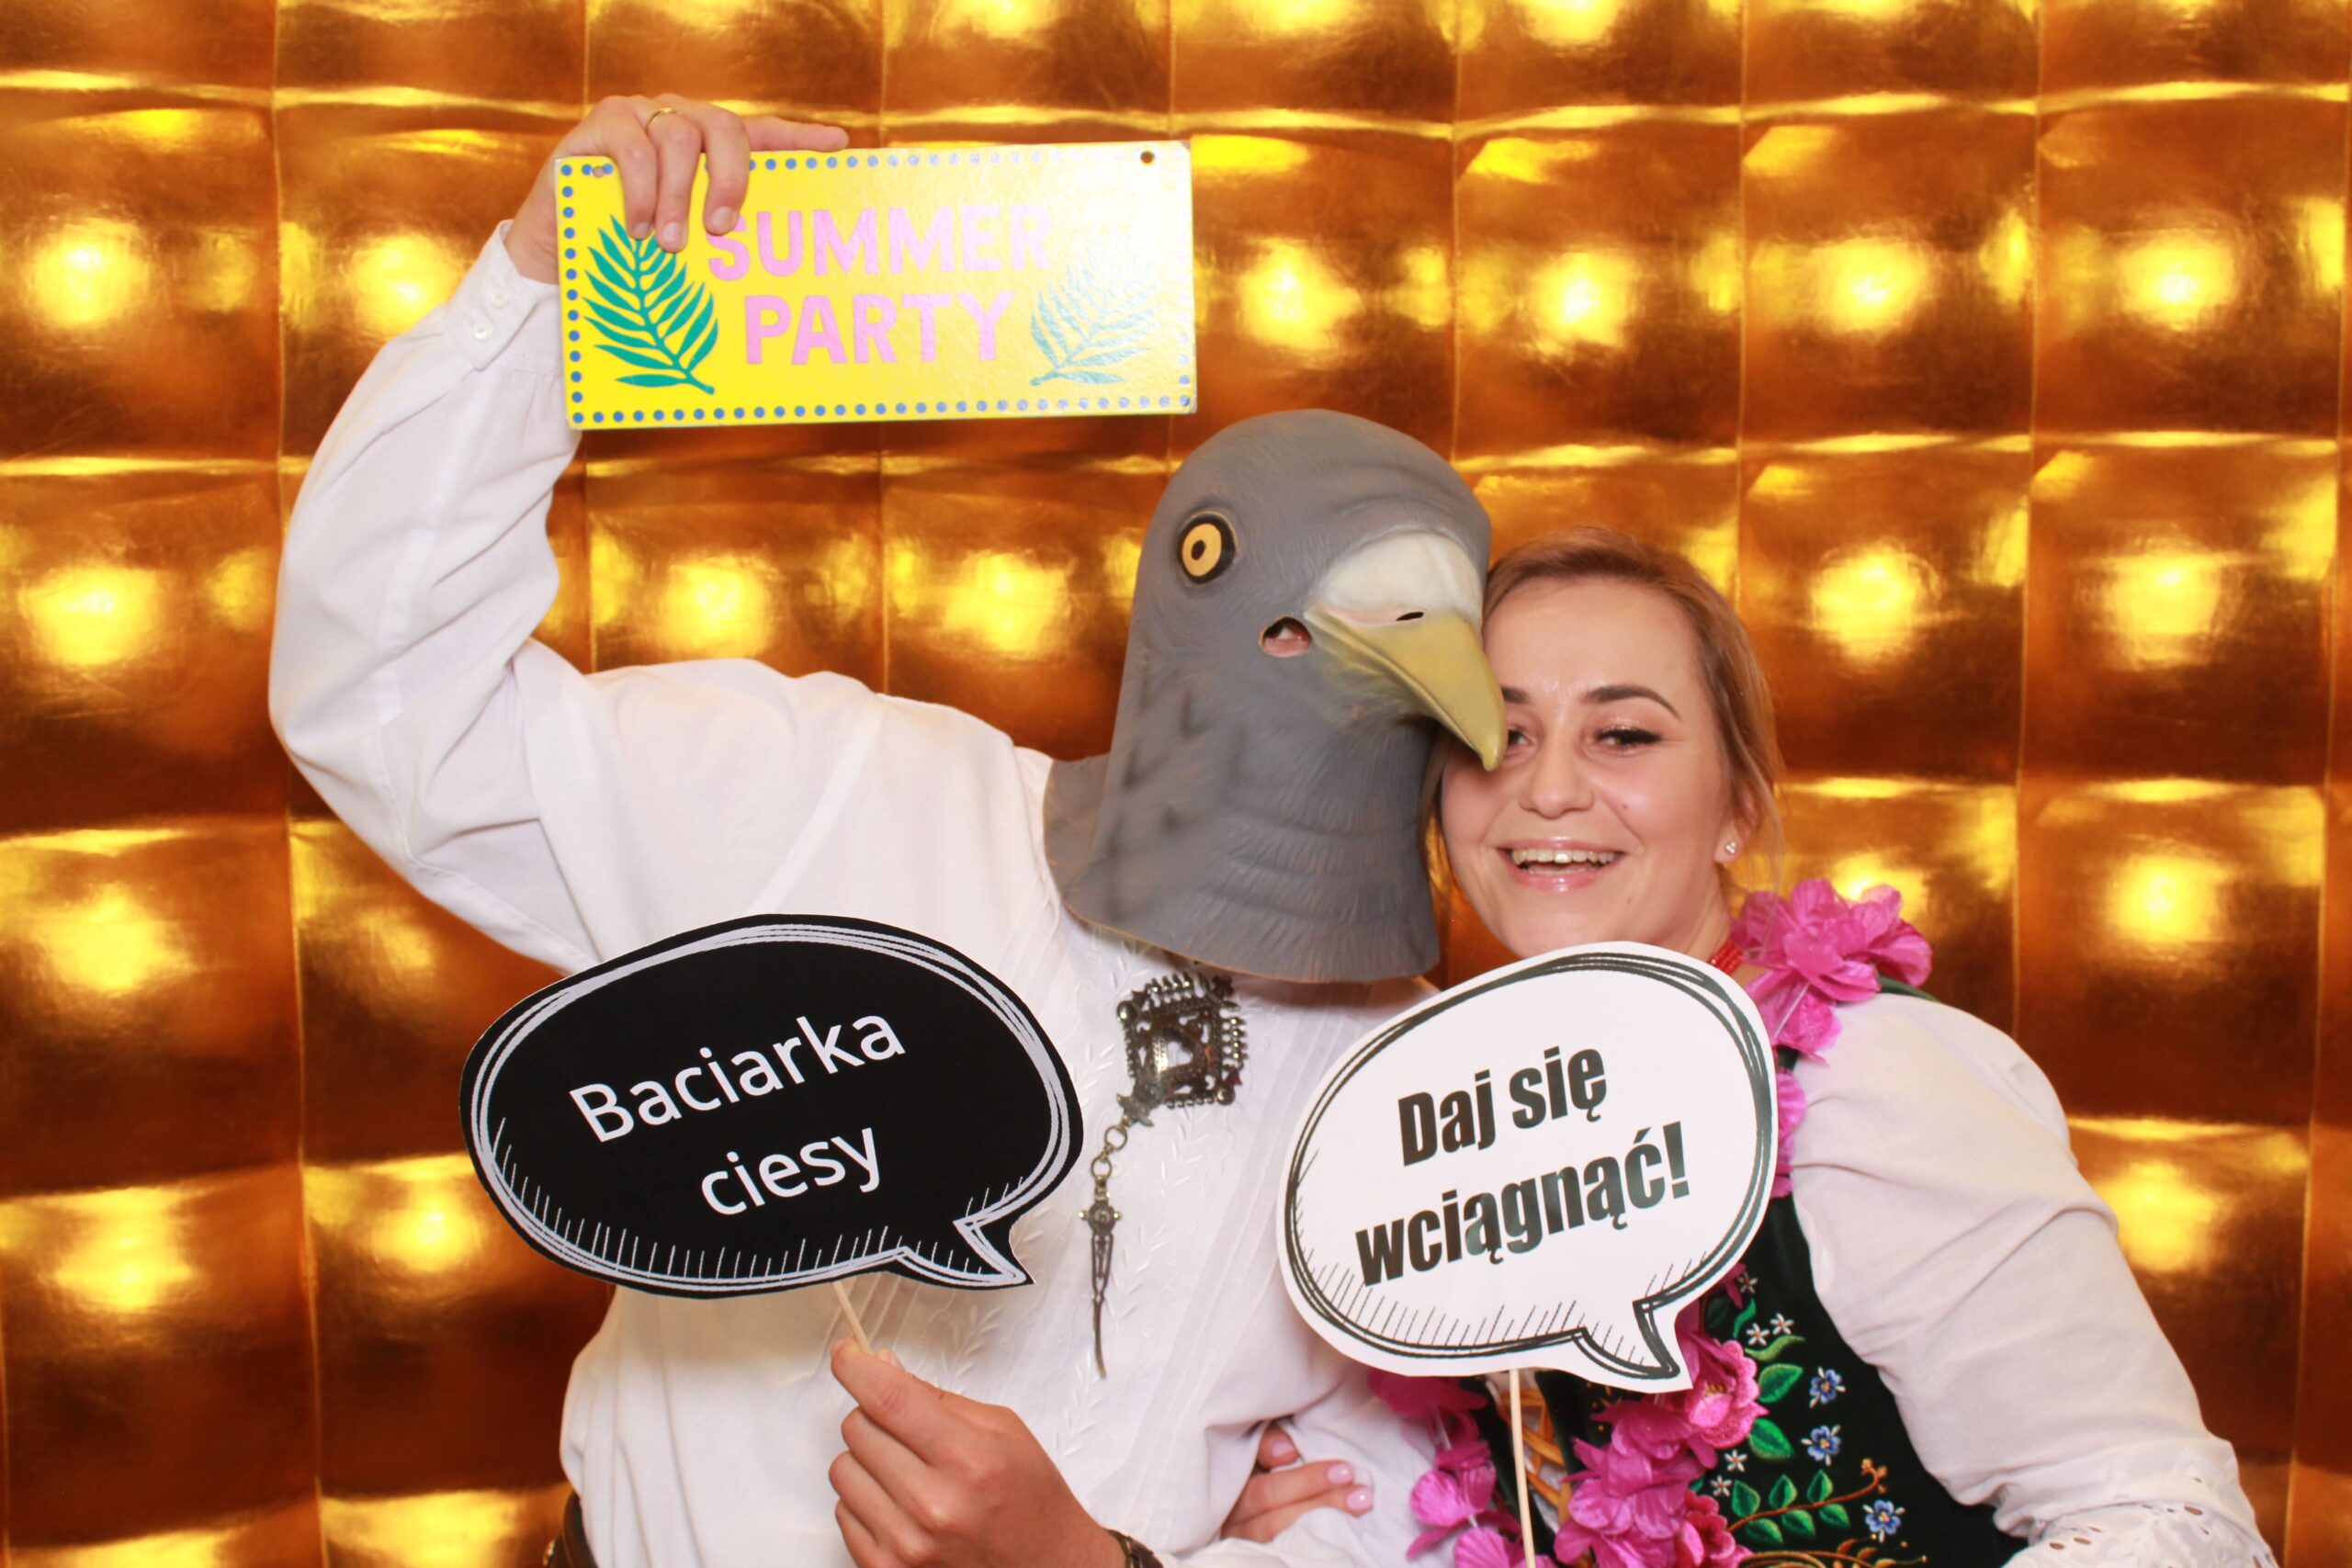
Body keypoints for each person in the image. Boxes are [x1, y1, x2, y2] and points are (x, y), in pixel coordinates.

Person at [269, 93, 1513, 1568]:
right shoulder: (839, 792)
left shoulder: (1430, 1092)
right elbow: (391, 698)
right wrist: (542, 289)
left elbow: (1395, 1499)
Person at [1238, 525, 2277, 1565]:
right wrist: (1319, 1514)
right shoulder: (1450, 1124)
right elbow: (1471, 1496)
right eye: (1498, 735)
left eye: (1623, 735)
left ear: (1737, 801)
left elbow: (2170, 1521)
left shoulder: (1867, 1083)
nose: (1547, 789)